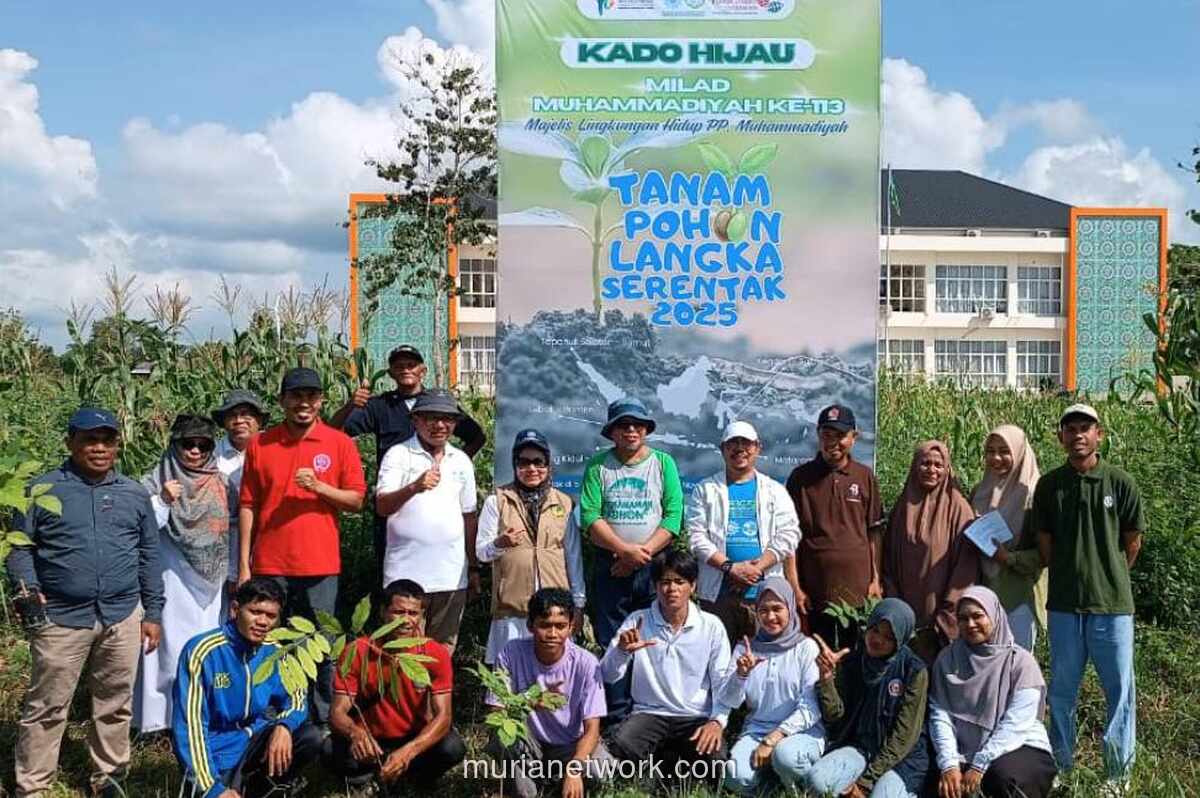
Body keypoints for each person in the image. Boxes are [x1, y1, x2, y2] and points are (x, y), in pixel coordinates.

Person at [8, 407, 164, 798]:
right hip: (61, 616)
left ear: (117, 444)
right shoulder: (40, 491)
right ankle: (34, 785)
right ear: (70, 443)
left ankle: (109, 777)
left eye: (107, 440)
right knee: (47, 705)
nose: (99, 448)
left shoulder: (133, 493)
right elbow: (19, 548)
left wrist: (154, 612)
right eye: (89, 439)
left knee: (115, 702)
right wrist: (27, 588)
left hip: (122, 614)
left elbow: (148, 553)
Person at [237, 367, 367, 724]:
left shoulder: (338, 443)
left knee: (321, 645)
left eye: (311, 396)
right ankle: (267, 717)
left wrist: (320, 488)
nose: (303, 403)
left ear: (321, 401)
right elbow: (247, 503)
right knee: (266, 643)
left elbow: (356, 500)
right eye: (295, 396)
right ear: (282, 401)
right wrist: (245, 564)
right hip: (269, 563)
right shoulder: (261, 445)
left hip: (320, 564)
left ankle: (323, 720)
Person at [1034, 403, 1143, 791]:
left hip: (1112, 608)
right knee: (1062, 690)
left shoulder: (1120, 482)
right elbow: (1045, 547)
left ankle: (1118, 775)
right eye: (1070, 429)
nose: (1078, 435)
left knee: (1120, 690)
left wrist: (1107, 577)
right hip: (1063, 606)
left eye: (1085, 427)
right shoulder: (1049, 486)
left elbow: (1132, 544)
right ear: (1060, 437)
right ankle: (1062, 766)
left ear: (1099, 434)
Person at [329, 344, 485, 580]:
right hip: (394, 499)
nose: (405, 370)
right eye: (399, 366)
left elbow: (477, 436)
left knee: (442, 562)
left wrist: (452, 466)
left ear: (422, 370)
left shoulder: (438, 402)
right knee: (393, 571)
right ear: (390, 372)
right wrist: (352, 404)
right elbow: (334, 432)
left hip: (437, 496)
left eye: (411, 365)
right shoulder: (380, 405)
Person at [172, 577, 323, 798]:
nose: (263, 621)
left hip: (254, 743)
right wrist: (213, 789)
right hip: (217, 755)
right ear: (235, 609)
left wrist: (285, 725)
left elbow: (297, 696)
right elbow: (190, 727)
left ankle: (269, 788)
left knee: (310, 736)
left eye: (271, 616)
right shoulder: (202, 652)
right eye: (255, 612)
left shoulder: (276, 650)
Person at [581, 397, 684, 719]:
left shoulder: (663, 463)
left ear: (646, 430)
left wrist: (641, 555)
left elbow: (673, 515)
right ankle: (617, 717)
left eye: (637, 424)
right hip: (610, 566)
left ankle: (653, 714)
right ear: (612, 431)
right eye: (623, 425)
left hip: (654, 568)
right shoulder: (599, 465)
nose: (630, 430)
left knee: (655, 638)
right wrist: (624, 551)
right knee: (614, 642)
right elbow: (589, 516)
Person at [600, 550, 732, 787]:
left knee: (716, 759)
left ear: (693, 586)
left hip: (694, 716)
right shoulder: (637, 621)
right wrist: (622, 650)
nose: (671, 589)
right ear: (656, 586)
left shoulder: (711, 626)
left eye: (679, 582)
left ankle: (668, 767)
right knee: (620, 744)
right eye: (665, 582)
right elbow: (607, 675)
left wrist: (717, 722)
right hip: (649, 714)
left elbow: (722, 682)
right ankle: (662, 768)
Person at [136, 414, 231, 734]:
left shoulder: (222, 479)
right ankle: (161, 720)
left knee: (204, 643)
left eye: (202, 445)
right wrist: (162, 500)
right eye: (187, 444)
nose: (194, 451)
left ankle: (199, 715)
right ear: (174, 444)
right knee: (169, 646)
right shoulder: (155, 479)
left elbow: (234, 523)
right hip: (171, 574)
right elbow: (139, 525)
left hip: (211, 580)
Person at [327, 579, 465, 791]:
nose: (406, 621)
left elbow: (444, 717)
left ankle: (415, 778)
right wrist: (356, 733)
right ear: (383, 612)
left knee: (452, 747)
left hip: (414, 738)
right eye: (398, 612)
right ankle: (366, 780)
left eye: (413, 614)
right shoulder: (358, 650)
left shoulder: (434, 653)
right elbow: (337, 712)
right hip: (370, 739)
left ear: (422, 616)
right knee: (328, 750)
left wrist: (409, 751)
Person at [375, 388, 479, 653]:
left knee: (441, 656)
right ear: (416, 420)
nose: (440, 425)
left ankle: (437, 697)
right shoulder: (398, 455)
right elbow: (382, 506)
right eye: (431, 417)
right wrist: (414, 487)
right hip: (405, 579)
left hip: (451, 577)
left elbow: (469, 516)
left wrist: (474, 567)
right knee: (401, 654)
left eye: (447, 419)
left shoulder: (462, 461)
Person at [930, 586, 1056, 798]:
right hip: (964, 748)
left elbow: (1017, 722)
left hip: (1017, 744)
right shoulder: (948, 660)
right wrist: (949, 764)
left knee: (1004, 778)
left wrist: (980, 764)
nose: (970, 624)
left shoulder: (1020, 662)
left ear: (995, 615)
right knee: (936, 781)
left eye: (978, 616)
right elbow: (940, 715)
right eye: (963, 618)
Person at [484, 588, 610, 798]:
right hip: (528, 744)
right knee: (501, 736)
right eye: (545, 625)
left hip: (569, 745)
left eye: (560, 626)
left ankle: (557, 781)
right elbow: (495, 714)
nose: (552, 634)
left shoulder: (586, 663)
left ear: (571, 627)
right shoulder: (510, 653)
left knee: (601, 769)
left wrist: (575, 768)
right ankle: (527, 789)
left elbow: (592, 729)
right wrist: (529, 702)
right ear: (530, 626)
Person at [477, 430, 586, 664]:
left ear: (548, 465)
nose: (532, 468)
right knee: (508, 680)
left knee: (555, 678)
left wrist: (578, 603)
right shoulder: (496, 501)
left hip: (554, 613)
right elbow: (481, 553)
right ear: (515, 465)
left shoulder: (564, 503)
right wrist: (499, 544)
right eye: (524, 462)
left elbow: (573, 557)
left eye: (538, 462)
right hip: (512, 610)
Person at [807, 598, 933, 798]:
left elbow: (904, 737)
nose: (878, 640)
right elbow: (834, 716)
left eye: (889, 637)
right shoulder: (853, 661)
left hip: (902, 759)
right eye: (874, 630)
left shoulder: (914, 671)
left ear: (900, 640)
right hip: (861, 748)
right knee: (817, 781)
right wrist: (826, 680)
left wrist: (866, 782)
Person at [687, 420, 800, 642]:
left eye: (746, 443)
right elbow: (696, 537)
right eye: (732, 443)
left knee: (762, 662)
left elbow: (788, 535)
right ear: (722, 449)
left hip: (763, 597)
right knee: (717, 661)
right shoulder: (705, 489)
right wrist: (731, 568)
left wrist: (755, 569)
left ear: (758, 448)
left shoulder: (775, 490)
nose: (740, 449)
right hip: (717, 596)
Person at [785, 404, 885, 651]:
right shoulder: (800, 478)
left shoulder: (864, 476)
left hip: (859, 592)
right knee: (817, 657)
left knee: (857, 658)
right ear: (818, 435)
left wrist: (875, 580)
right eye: (827, 435)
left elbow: (874, 532)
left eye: (840, 436)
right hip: (815, 592)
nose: (833, 442)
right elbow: (789, 539)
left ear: (853, 437)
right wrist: (795, 587)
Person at [718, 577, 825, 795]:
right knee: (734, 775)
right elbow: (729, 701)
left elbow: (811, 708)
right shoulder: (745, 650)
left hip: (802, 733)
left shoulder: (806, 648)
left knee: (785, 757)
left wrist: (775, 738)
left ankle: (805, 789)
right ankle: (773, 784)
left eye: (778, 609)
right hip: (757, 730)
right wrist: (741, 674)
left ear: (791, 608)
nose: (771, 617)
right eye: (763, 610)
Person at [882, 440, 978, 662]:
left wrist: (948, 613)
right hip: (903, 609)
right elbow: (887, 556)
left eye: (938, 465)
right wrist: (893, 599)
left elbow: (966, 566)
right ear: (915, 466)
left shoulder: (959, 509)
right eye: (925, 463)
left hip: (940, 614)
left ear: (947, 469)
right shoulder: (903, 506)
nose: (931, 470)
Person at [968, 425, 1047, 650]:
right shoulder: (980, 490)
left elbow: (1047, 554)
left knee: (1016, 663)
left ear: (1020, 452)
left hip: (1019, 595)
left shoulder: (1035, 495)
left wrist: (1008, 558)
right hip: (983, 593)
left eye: (1004, 451)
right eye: (990, 451)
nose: (996, 458)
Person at [211, 389, 269, 606]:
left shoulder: (271, 450)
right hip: (222, 540)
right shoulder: (211, 454)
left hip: (265, 539)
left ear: (259, 420)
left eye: (247, 414)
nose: (239, 421)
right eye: (232, 415)